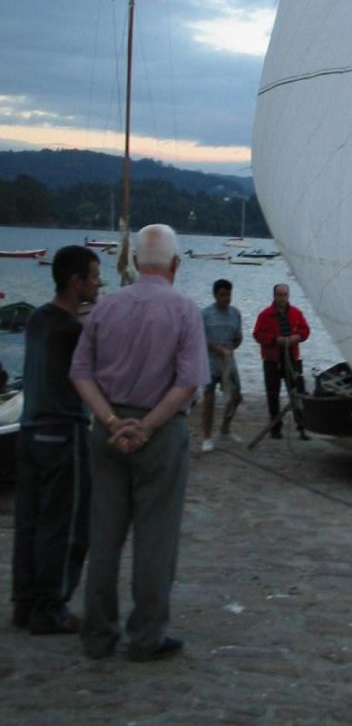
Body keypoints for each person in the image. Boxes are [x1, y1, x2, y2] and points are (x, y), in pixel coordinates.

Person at [71, 224, 209, 661]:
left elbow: (80, 373)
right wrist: (146, 426)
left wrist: (111, 420)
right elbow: (188, 383)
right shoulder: (185, 311)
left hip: (107, 432)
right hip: (161, 434)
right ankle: (146, 636)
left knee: (105, 535)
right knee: (156, 537)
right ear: (175, 264)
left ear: (133, 263)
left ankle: (98, 634)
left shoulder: (105, 308)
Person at [11, 245, 101, 634]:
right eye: (95, 276)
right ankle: (51, 606)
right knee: (65, 526)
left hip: (29, 433)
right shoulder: (71, 332)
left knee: (29, 522)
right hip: (63, 433)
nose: (99, 283)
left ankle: (25, 601)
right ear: (74, 281)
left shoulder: (37, 320)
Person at [253, 283, 310, 439]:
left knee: (298, 393)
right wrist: (275, 340)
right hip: (272, 360)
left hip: (292, 359)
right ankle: (275, 429)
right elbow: (257, 334)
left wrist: (297, 337)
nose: (282, 298)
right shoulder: (265, 315)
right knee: (273, 395)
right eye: (279, 295)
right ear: (274, 296)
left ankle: (302, 428)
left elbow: (306, 331)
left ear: (288, 296)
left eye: (285, 295)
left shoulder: (296, 313)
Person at [200, 278, 243, 452]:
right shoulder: (205, 314)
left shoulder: (235, 313)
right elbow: (199, 340)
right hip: (210, 362)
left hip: (229, 362)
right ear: (216, 295)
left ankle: (225, 427)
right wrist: (217, 349)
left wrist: (233, 346)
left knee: (236, 396)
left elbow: (238, 337)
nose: (226, 298)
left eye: (229, 294)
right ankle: (207, 437)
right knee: (209, 398)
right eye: (223, 295)